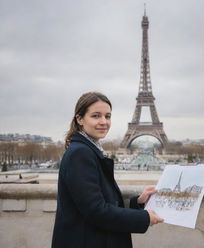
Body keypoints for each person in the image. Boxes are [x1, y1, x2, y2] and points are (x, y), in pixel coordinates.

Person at [51, 92, 163, 248]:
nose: (104, 122)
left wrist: (137, 201)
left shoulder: (88, 149)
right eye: (96, 116)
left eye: (107, 116)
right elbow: (96, 211)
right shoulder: (81, 153)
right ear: (80, 119)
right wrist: (144, 218)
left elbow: (100, 201)